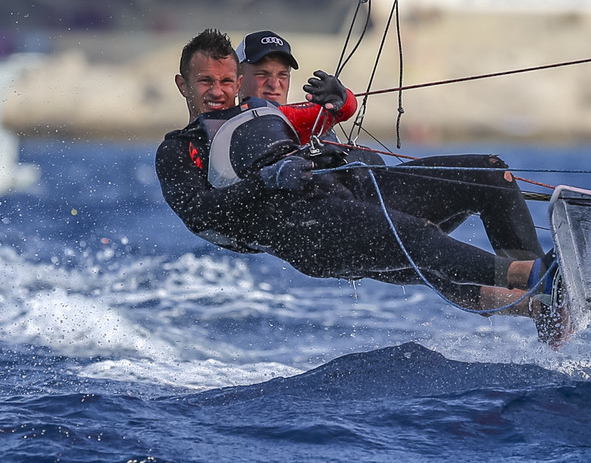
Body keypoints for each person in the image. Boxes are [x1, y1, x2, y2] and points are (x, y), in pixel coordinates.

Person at [157, 28, 557, 321]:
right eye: (206, 81)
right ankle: (536, 278)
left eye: (225, 81)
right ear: (183, 85)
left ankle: (545, 309)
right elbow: (201, 214)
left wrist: (341, 100)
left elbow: (336, 110)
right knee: (416, 239)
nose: (217, 91)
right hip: (306, 226)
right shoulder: (179, 148)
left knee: (487, 173)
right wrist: (268, 180)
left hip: (359, 194)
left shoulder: (272, 116)